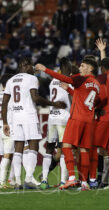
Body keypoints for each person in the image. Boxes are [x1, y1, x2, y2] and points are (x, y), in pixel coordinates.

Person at [35, 57, 101, 191]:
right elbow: (88, 99)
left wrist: (45, 70)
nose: (80, 68)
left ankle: (71, 178)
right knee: (84, 150)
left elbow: (63, 77)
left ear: (90, 68)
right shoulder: (96, 84)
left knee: (65, 145)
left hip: (76, 118)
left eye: (83, 66)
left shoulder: (80, 79)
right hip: (89, 120)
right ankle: (84, 183)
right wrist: (70, 91)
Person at [1, 58, 66, 189]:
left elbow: (4, 103)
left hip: (15, 116)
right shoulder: (31, 78)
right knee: (33, 146)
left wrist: (5, 122)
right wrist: (54, 104)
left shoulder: (10, 80)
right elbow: (35, 98)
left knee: (18, 148)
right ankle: (29, 177)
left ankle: (18, 181)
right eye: (31, 65)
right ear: (26, 66)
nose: (33, 68)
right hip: (28, 115)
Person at [89, 39, 109, 190]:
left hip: (104, 116)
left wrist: (95, 107)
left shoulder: (102, 78)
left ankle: (93, 179)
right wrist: (102, 51)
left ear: (101, 68)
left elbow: (101, 95)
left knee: (94, 147)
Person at [41, 58, 72, 189]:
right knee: (64, 149)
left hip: (52, 117)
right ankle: (63, 181)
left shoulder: (53, 81)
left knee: (49, 149)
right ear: (66, 67)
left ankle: (44, 180)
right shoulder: (68, 81)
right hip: (63, 118)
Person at [0, 73, 15, 189]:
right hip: (8, 129)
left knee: (9, 155)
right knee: (7, 156)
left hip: (0, 130)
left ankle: (9, 180)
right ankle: (2, 182)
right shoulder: (10, 97)